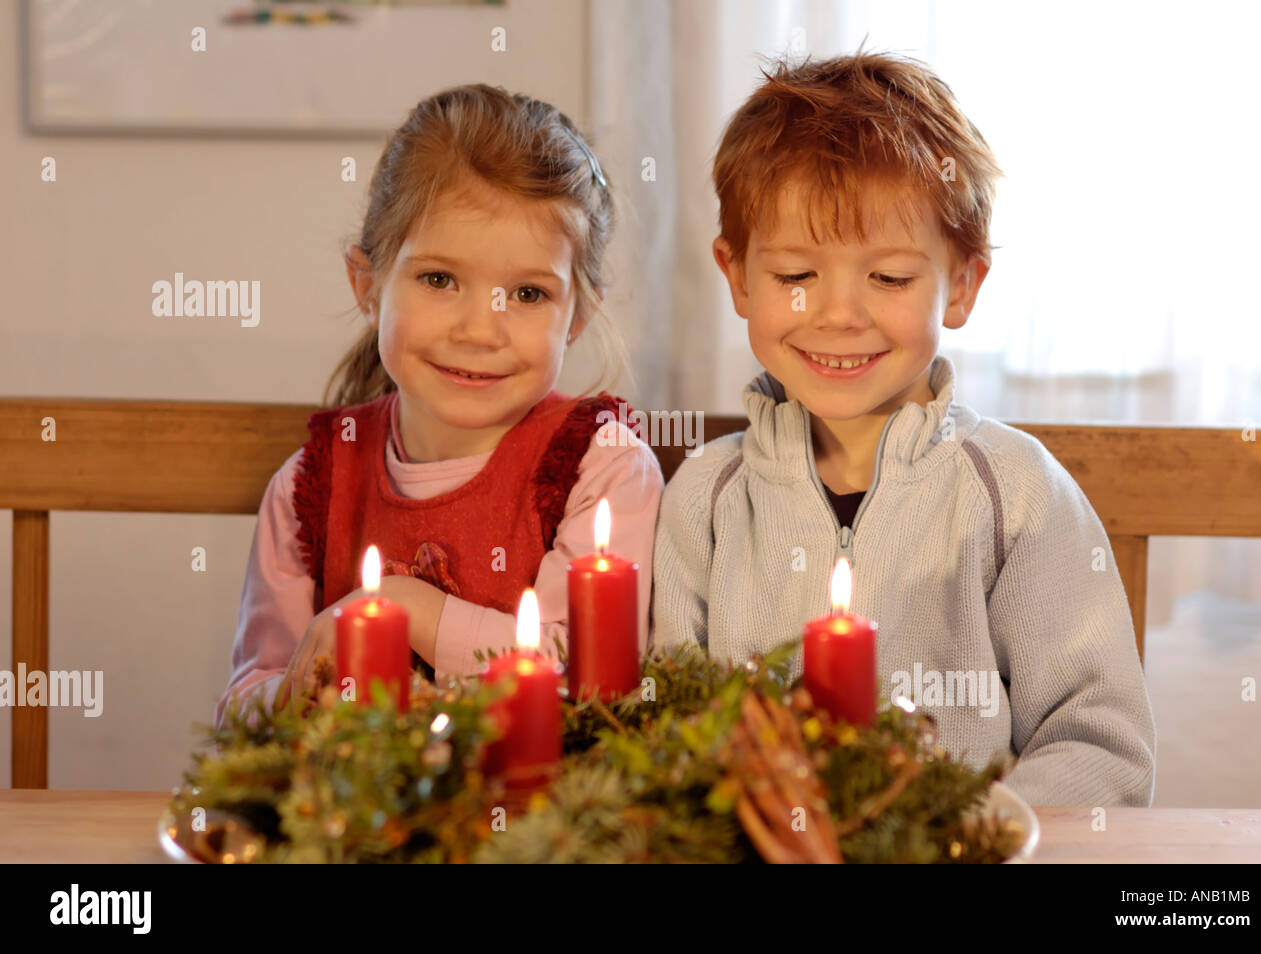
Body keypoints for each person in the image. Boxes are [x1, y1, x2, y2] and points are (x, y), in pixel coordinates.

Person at [652, 52, 1156, 807]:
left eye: (888, 278)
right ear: (739, 278)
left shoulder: (1016, 493)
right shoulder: (705, 498)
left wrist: (960, 841)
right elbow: (667, 732)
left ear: (961, 285)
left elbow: (1099, 744)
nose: (840, 314)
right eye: (795, 276)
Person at [217, 85, 661, 728]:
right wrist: (295, 697)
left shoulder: (605, 468)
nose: (481, 330)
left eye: (529, 293)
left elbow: (588, 672)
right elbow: (245, 701)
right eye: (439, 280)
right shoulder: (309, 489)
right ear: (367, 286)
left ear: (577, 317)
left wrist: (408, 610)